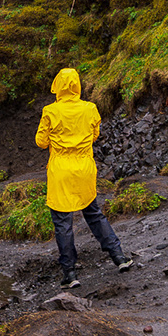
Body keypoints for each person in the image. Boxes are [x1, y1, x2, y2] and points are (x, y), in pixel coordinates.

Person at [35, 67, 133, 288]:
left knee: (63, 222)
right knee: (94, 213)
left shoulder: (50, 111)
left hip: (61, 169)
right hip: (84, 167)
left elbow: (41, 142)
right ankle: (119, 257)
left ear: (58, 86)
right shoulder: (90, 108)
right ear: (77, 85)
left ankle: (70, 274)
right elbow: (95, 134)